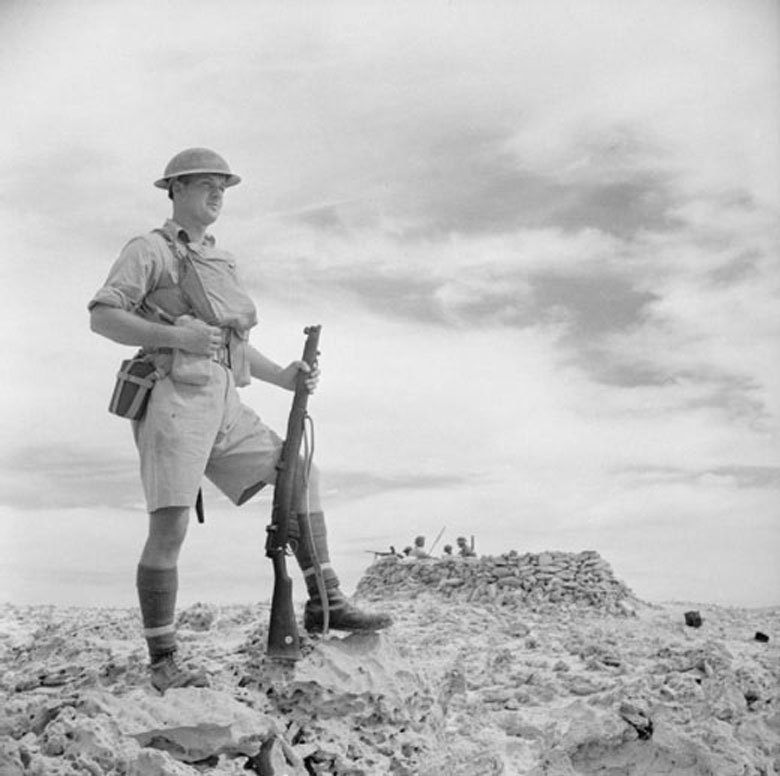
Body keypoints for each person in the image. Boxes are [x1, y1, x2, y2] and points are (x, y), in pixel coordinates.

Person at [88, 148, 392, 692]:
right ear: (175, 190)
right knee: (170, 527)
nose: (217, 194)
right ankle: (164, 660)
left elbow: (231, 344)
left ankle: (327, 601)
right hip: (174, 400)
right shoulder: (149, 250)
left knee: (298, 473)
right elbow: (104, 315)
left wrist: (283, 376)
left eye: (222, 187)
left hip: (224, 400)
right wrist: (176, 336)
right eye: (205, 184)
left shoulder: (219, 260)